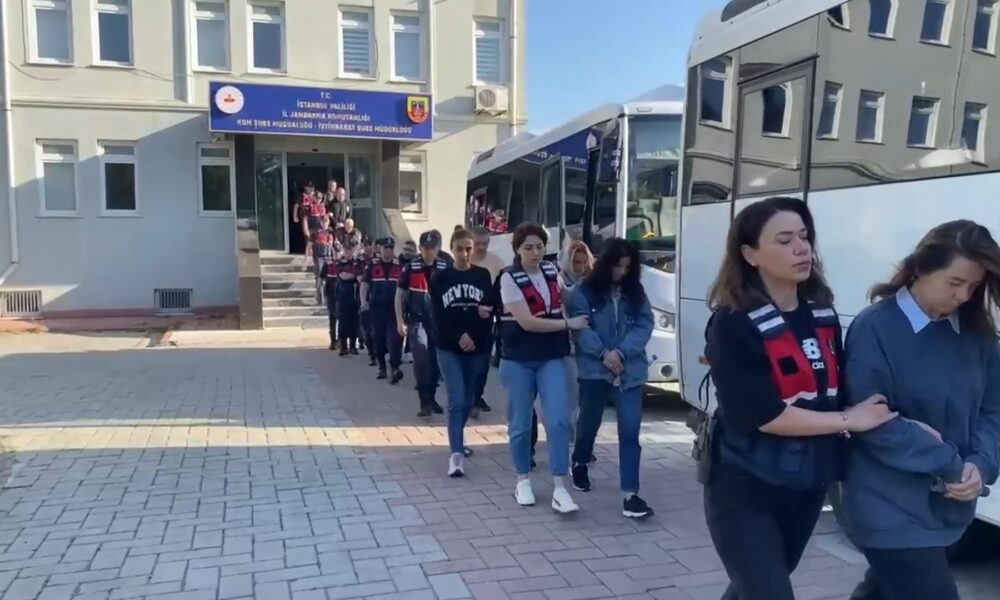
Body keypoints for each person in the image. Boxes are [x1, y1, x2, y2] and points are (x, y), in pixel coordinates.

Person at [703, 196, 896, 600]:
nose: (801, 248)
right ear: (750, 254)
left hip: (806, 483)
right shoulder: (732, 323)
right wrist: (850, 420)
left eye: (804, 237)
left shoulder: (822, 315)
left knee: (754, 587)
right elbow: (765, 415)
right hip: (743, 485)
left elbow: (837, 392)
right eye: (784, 240)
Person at [841, 220, 1000, 600]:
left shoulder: (978, 334)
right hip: (885, 504)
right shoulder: (874, 326)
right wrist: (949, 462)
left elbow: (992, 411)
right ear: (920, 269)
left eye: (974, 286)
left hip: (947, 507)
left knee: (882, 591)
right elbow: (873, 421)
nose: (964, 295)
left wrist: (980, 464)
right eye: (954, 283)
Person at [498, 222, 589, 513]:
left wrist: (589, 277)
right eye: (528, 248)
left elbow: (569, 297)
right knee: (521, 423)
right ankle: (522, 480)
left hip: (551, 356)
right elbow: (527, 322)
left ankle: (560, 487)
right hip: (518, 359)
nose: (535, 253)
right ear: (517, 249)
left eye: (539, 247)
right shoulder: (508, 278)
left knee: (559, 420)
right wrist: (568, 324)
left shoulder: (551, 271)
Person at [567, 238, 654, 519]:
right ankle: (580, 461)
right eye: (617, 266)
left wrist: (622, 353)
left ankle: (631, 494)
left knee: (630, 432)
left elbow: (645, 324)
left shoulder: (636, 292)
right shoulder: (585, 290)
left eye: (627, 267)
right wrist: (604, 354)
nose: (622, 272)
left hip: (629, 372)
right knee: (588, 423)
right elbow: (581, 328)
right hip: (595, 371)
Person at [431, 228, 496, 477]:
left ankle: (459, 437)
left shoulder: (482, 275)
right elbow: (439, 316)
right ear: (452, 249)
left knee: (468, 399)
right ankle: (456, 453)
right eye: (460, 249)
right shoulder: (441, 277)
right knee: (456, 400)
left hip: (477, 347)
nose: (465, 253)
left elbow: (488, 309)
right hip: (449, 347)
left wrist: (473, 335)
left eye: (469, 248)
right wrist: (459, 334)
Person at [396, 230, 450, 417]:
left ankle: (431, 397)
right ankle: (424, 400)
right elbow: (399, 295)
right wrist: (400, 321)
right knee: (421, 352)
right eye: (425, 248)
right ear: (420, 248)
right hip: (417, 318)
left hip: (439, 321)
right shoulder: (411, 267)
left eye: (432, 247)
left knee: (435, 361)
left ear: (438, 248)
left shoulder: (446, 265)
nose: (429, 251)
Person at [470, 226, 505, 416]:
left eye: (485, 243)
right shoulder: (464, 260)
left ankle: (477, 396)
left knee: (483, 362)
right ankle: (468, 397)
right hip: (465, 317)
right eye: (478, 244)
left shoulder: (496, 262)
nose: (481, 247)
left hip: (487, 318)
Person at [361, 238, 404, 382]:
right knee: (378, 338)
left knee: (394, 339)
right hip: (377, 308)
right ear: (380, 249)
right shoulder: (372, 265)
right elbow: (364, 284)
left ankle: (395, 367)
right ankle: (382, 367)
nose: (389, 250)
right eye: (386, 247)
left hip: (394, 309)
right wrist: (363, 301)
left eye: (391, 247)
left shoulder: (400, 266)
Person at [330, 243, 362, 356]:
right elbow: (343, 275)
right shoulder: (340, 262)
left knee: (354, 321)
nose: (348, 252)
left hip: (355, 295)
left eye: (350, 250)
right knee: (343, 321)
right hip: (343, 295)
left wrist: (355, 275)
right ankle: (343, 347)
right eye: (346, 250)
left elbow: (361, 276)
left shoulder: (357, 262)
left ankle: (353, 346)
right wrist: (355, 275)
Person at [357, 238, 375, 359]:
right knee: (366, 326)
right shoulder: (359, 260)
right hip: (364, 294)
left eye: (371, 245)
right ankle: (371, 352)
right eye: (366, 245)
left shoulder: (378, 259)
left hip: (377, 296)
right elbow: (359, 278)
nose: (369, 247)